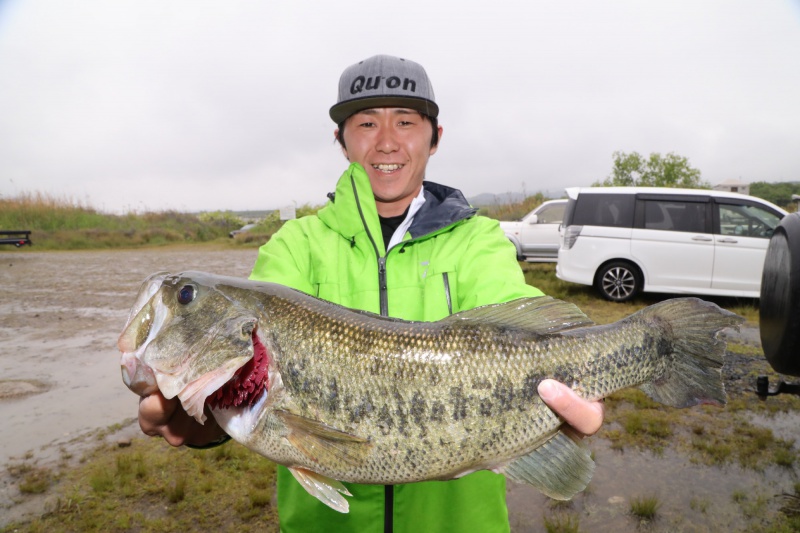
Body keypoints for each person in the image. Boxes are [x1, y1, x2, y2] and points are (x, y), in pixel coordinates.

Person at [138, 54, 605, 532]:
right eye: (365, 123)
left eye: (405, 121)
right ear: (341, 141)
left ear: (436, 137)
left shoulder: (479, 240)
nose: (386, 141)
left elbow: (517, 325)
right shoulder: (294, 247)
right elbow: (246, 395)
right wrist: (196, 424)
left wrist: (569, 398)